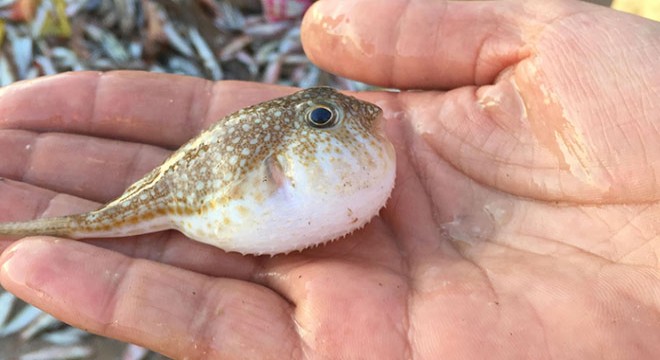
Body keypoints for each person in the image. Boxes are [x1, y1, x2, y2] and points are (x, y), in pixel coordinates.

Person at [1, 0, 658, 358]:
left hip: (224, 209)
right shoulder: (271, 158)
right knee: (79, 228)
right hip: (211, 204)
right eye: (323, 114)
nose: (361, 117)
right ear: (290, 146)